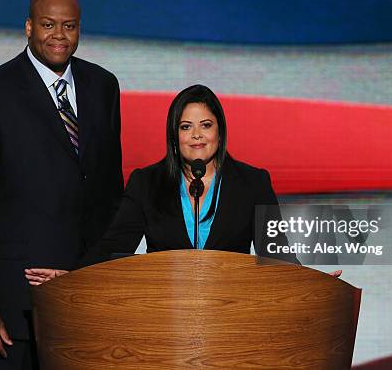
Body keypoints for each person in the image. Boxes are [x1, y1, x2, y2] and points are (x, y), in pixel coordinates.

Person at [0, 0, 123, 369]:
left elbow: (110, 196)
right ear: (29, 27)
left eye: (69, 26)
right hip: (16, 309)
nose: (58, 35)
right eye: (48, 24)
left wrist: (108, 282)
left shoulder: (103, 87)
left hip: (85, 301)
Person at [26, 84, 319, 287]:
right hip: (165, 316)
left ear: (220, 131)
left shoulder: (253, 183)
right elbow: (114, 246)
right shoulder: (146, 183)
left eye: (206, 125)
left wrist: (315, 286)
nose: (196, 136)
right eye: (186, 127)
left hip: (233, 315)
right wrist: (71, 276)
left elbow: (277, 254)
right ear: (174, 134)